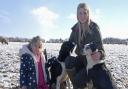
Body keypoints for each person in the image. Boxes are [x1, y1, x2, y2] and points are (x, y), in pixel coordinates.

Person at [65, 3, 117, 89]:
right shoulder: (75, 29)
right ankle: (79, 85)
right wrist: (63, 54)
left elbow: (102, 50)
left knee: (105, 84)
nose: (82, 16)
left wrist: (99, 54)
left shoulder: (94, 28)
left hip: (93, 64)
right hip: (81, 60)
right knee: (68, 61)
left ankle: (90, 83)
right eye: (80, 13)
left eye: (85, 13)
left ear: (88, 13)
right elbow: (69, 45)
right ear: (77, 15)